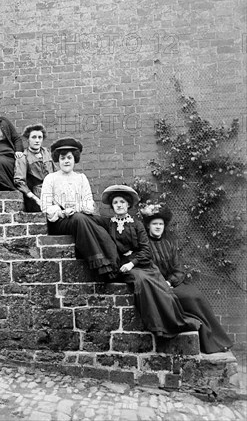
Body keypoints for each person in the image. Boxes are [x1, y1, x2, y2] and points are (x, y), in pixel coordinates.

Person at [101, 185, 201, 338]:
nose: (119, 205)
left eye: (122, 202)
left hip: (141, 263)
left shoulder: (137, 224)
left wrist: (132, 262)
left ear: (128, 204)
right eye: (115, 202)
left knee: (162, 288)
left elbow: (146, 251)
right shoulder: (108, 224)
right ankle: (157, 326)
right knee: (143, 280)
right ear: (112, 206)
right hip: (123, 267)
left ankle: (175, 322)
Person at [141, 203, 233, 353]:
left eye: (161, 224)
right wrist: (162, 283)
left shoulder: (169, 243)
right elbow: (147, 269)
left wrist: (170, 281)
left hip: (173, 283)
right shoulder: (145, 246)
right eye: (154, 224)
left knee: (196, 295)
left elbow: (179, 269)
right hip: (157, 286)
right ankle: (208, 340)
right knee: (190, 298)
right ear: (148, 226)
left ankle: (217, 340)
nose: (158, 227)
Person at [40, 138, 119, 280]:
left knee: (105, 222)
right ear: (57, 160)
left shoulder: (81, 178)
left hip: (80, 217)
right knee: (79, 218)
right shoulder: (50, 178)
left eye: (69, 158)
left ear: (74, 159)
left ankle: (114, 260)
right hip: (60, 222)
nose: (66, 161)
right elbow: (45, 207)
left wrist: (76, 208)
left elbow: (89, 204)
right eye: (62, 158)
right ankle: (101, 264)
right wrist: (62, 212)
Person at [13, 124, 55, 212]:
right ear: (28, 139)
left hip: (53, 193)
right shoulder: (23, 157)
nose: (37, 140)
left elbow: (56, 173)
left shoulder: (47, 152)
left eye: (40, 137)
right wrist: (35, 199)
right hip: (36, 196)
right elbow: (19, 181)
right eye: (34, 137)